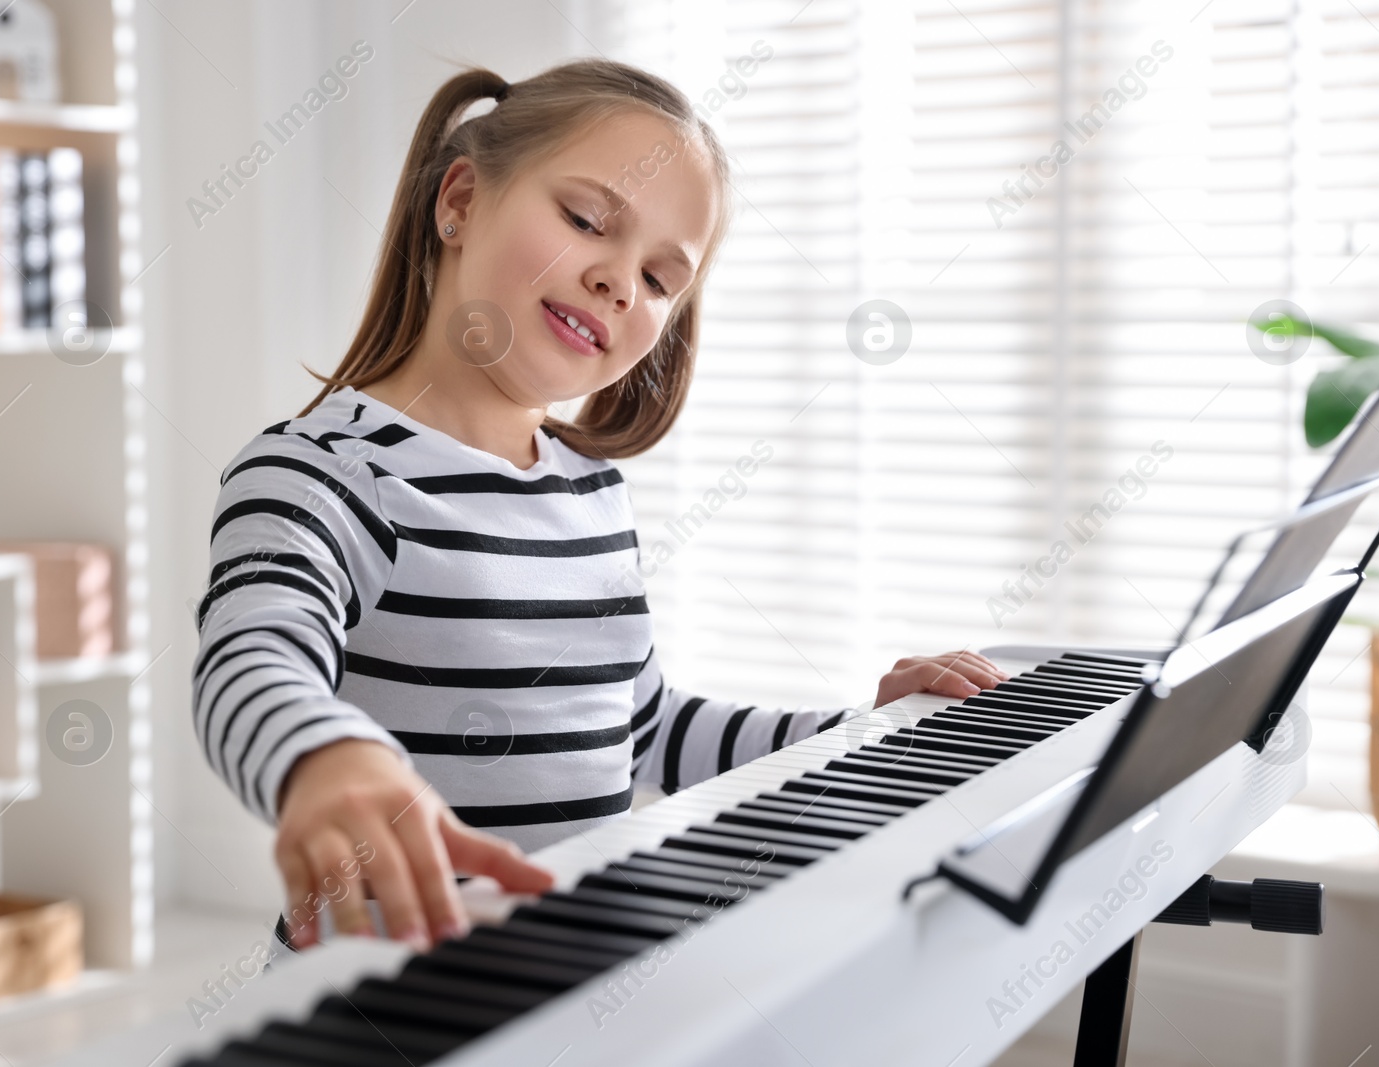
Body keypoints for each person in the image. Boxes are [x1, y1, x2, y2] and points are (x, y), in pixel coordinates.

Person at [194, 57, 1008, 958]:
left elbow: (646, 727)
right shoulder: (325, 470)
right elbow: (251, 656)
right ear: (459, 200)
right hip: (380, 1007)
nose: (621, 282)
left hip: (552, 987)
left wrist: (867, 733)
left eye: (661, 280)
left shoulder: (586, 488)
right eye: (587, 221)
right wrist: (321, 759)